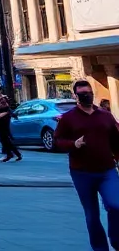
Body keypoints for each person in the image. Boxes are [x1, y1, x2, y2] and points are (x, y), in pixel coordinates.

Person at [55, 79, 119, 251]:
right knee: (92, 215)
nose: (87, 96)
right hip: (81, 172)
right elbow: (58, 141)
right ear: (76, 96)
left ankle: (116, 239)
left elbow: (116, 140)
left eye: (89, 93)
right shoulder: (68, 118)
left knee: (116, 204)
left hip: (107, 170)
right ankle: (100, 248)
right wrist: (73, 144)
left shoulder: (105, 115)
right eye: (83, 94)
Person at [0, 95, 22, 162]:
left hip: (4, 128)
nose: (1, 103)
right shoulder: (2, 108)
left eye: (2, 102)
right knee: (6, 142)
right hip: (1, 127)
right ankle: (15, 154)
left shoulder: (7, 109)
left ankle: (10, 154)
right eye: (1, 102)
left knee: (6, 142)